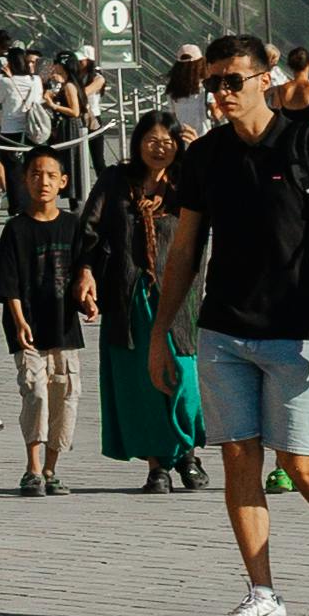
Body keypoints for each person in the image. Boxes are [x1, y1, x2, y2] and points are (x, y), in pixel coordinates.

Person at [157, 29, 309, 616]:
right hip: (223, 330)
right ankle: (263, 594)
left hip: (298, 330)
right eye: (213, 84)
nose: (221, 94)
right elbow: (183, 253)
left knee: (301, 465)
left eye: (232, 82)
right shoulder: (203, 157)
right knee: (236, 458)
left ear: (264, 80)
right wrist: (162, 334)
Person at [94, 111, 209, 489]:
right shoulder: (116, 180)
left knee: (184, 378)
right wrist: (83, 274)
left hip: (180, 295)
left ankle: (187, 454)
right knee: (142, 383)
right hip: (129, 296)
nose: (159, 149)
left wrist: (194, 156)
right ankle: (157, 465)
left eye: (168, 141)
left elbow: (217, 203)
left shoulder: (187, 182)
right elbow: (89, 229)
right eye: (151, 141)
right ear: (137, 143)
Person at [0, 143, 98, 496]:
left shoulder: (73, 225)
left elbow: (86, 270)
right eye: (36, 174)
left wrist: (89, 299)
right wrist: (19, 321)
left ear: (64, 181)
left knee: (65, 396)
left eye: (51, 175)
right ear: (24, 180)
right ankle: (32, 468)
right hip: (30, 331)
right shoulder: (16, 229)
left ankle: (52, 469)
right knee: (35, 393)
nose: (44, 182)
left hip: (65, 328)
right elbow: (8, 285)